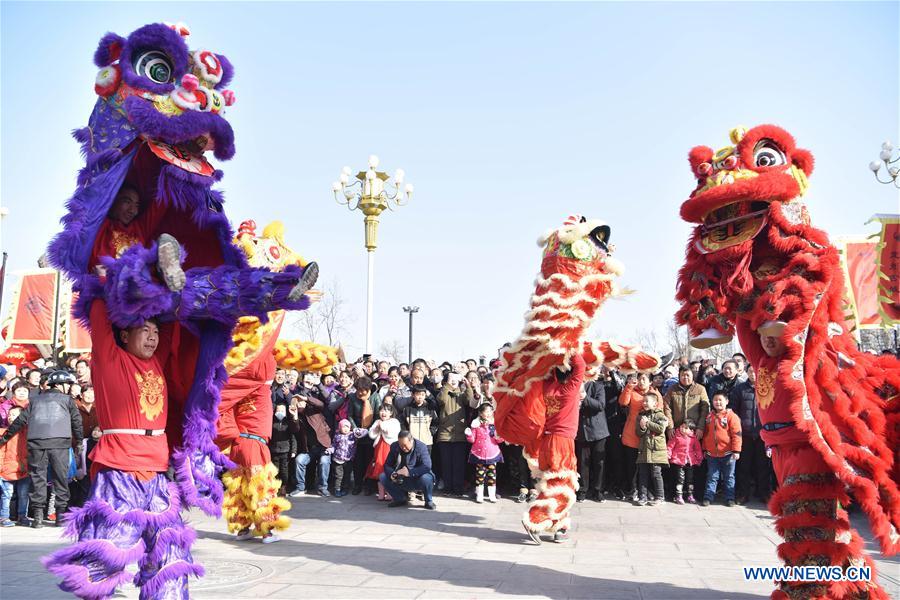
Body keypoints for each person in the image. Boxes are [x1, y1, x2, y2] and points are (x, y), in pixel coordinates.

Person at [0, 370, 83, 527]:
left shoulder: (35, 400)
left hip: (37, 443)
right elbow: (77, 422)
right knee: (60, 479)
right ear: (59, 385)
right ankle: (59, 517)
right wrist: (78, 442)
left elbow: (20, 421)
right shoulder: (67, 400)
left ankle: (38, 519)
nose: (69, 388)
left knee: (38, 479)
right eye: (67, 384)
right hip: (59, 443)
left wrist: (5, 438)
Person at [522, 353, 586, 545]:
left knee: (557, 484)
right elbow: (580, 365)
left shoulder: (549, 386)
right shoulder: (569, 390)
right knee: (562, 486)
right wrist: (569, 344)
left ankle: (560, 525)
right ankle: (534, 519)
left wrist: (554, 353)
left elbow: (550, 372)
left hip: (547, 441)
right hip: (562, 442)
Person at [728, 365, 773, 504]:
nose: (753, 373)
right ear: (747, 373)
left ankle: (764, 493)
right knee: (743, 467)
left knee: (763, 466)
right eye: (750, 371)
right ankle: (743, 494)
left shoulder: (768, 388)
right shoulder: (740, 389)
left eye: (756, 371)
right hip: (745, 434)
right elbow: (733, 411)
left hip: (763, 434)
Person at [434, 373, 474, 496]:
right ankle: (448, 488)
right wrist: (447, 385)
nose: (453, 381)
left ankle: (458, 488)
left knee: (459, 464)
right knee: (446, 464)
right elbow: (441, 400)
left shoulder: (462, 394)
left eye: (455, 379)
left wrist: (467, 386)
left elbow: (470, 400)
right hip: (445, 434)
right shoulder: (444, 392)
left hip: (460, 433)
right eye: (451, 379)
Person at [701, 392, 742, 507]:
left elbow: (737, 434)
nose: (718, 402)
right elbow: (706, 434)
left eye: (720, 400)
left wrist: (736, 450)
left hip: (728, 453)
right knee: (712, 476)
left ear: (726, 402)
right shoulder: (709, 416)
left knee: (729, 477)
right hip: (712, 454)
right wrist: (704, 449)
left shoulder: (731, 416)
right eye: (715, 400)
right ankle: (708, 497)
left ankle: (729, 498)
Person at [379, 430, 436, 510]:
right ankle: (400, 499)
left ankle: (428, 501)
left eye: (405, 445)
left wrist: (409, 472)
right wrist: (392, 474)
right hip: (400, 478)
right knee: (383, 477)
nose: (403, 447)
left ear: (411, 440)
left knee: (426, 478)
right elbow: (387, 465)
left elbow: (427, 466)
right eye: (401, 445)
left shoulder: (421, 446)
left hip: (417, 477)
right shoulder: (394, 446)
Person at [291, 391, 333, 497]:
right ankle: (300, 488)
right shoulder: (297, 416)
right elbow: (295, 430)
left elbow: (321, 404)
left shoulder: (314, 410)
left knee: (324, 461)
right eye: (297, 402)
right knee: (299, 460)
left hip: (323, 445)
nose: (299, 404)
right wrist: (295, 417)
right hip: (310, 449)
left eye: (301, 401)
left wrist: (305, 398)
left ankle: (323, 488)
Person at [575, 374, 610, 503]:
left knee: (599, 463)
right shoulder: (573, 385)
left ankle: (598, 491)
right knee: (583, 463)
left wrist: (584, 398)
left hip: (598, 431)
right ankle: (582, 490)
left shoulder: (597, 386)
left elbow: (600, 405)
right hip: (581, 431)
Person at [618, 372, 651, 500]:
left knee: (646, 465)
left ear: (650, 381)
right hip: (631, 433)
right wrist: (629, 387)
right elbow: (623, 402)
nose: (641, 381)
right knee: (631, 465)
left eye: (644, 379)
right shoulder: (632, 391)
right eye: (640, 379)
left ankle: (645, 489)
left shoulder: (654, 394)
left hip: (647, 434)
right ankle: (633, 489)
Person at [347, 376, 381, 495]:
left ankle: (369, 486)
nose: (360, 393)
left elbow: (378, 415)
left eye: (363, 390)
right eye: (358, 390)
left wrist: (370, 430)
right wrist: (355, 428)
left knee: (369, 461)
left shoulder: (375, 397)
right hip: (357, 434)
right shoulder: (352, 398)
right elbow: (349, 414)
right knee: (358, 462)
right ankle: (357, 484)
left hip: (371, 434)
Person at [465, 403, 504, 503]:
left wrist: (499, 436)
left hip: (492, 453)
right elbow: (472, 440)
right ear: (481, 413)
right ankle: (479, 495)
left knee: (492, 475)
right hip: (479, 454)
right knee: (480, 475)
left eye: (490, 411)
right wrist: (469, 434)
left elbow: (499, 440)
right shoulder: (476, 424)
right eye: (486, 411)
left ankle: (491, 496)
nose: (488, 413)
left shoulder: (494, 424)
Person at [635, 390, 668, 506]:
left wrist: (648, 423)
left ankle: (660, 496)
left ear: (655, 403)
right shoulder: (640, 416)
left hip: (656, 450)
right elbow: (638, 433)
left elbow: (661, 429)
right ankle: (642, 496)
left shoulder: (660, 414)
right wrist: (642, 427)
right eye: (643, 401)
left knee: (656, 473)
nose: (644, 403)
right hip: (644, 450)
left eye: (646, 401)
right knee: (643, 473)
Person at [0, 405, 30, 526]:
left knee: (24, 494)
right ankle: (4, 517)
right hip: (7, 468)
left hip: (24, 468)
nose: (11, 417)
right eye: (10, 415)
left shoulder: (28, 432)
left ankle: (22, 516)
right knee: (7, 494)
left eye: (15, 415)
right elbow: (1, 453)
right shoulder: (3, 432)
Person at [366, 404, 401, 500]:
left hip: (389, 448)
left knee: (389, 469)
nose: (383, 413)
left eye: (386, 411)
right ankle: (381, 493)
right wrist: (376, 428)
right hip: (379, 448)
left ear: (391, 413)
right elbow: (371, 434)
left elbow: (393, 433)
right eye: (381, 410)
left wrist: (383, 427)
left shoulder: (394, 421)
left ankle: (390, 493)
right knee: (379, 469)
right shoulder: (377, 421)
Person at [666, 419, 703, 504]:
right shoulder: (676, 436)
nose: (683, 429)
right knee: (680, 479)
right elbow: (670, 447)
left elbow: (697, 449)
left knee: (690, 480)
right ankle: (679, 495)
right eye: (682, 427)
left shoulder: (693, 438)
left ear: (691, 430)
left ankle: (690, 495)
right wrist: (668, 456)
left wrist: (699, 458)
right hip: (678, 461)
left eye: (686, 428)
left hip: (689, 462)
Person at [269, 400, 299, 496]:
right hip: (274, 450)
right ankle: (275, 487)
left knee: (284, 471)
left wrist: (293, 450)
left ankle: (283, 486)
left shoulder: (288, 422)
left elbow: (293, 435)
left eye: (282, 410)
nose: (280, 412)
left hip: (285, 450)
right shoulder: (272, 421)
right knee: (275, 470)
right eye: (278, 410)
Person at [331, 419, 368, 497]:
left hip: (349, 459)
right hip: (338, 459)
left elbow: (364, 432)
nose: (345, 429)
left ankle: (345, 489)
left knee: (347, 475)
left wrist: (356, 430)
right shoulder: (337, 435)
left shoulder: (352, 435)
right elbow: (334, 445)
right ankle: (337, 489)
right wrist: (330, 450)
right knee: (338, 476)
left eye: (347, 427)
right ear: (340, 428)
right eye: (343, 427)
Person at [401, 385, 437, 451]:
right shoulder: (407, 409)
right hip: (411, 442)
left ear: (425, 395)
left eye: (422, 395)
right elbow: (402, 423)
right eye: (418, 394)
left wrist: (430, 432)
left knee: (425, 461)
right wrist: (407, 434)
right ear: (413, 395)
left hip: (427, 442)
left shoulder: (430, 409)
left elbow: (435, 422)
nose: (420, 397)